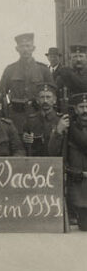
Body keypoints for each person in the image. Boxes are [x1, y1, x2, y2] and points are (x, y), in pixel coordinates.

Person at [0, 33, 53, 134]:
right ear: (17, 49)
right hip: (16, 116)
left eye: (28, 46)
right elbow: (1, 93)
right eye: (22, 46)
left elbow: (53, 95)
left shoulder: (43, 69)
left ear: (33, 48)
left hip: (38, 115)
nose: (25, 49)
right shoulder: (10, 70)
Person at [48, 93, 87, 231]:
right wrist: (58, 131)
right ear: (75, 109)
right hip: (78, 186)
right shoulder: (67, 128)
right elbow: (52, 153)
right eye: (81, 107)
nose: (85, 111)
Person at [21, 83, 61, 156]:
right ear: (37, 100)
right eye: (42, 97)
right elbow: (24, 146)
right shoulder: (30, 121)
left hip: (55, 162)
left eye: (48, 97)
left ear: (54, 100)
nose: (45, 100)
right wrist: (25, 139)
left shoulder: (60, 120)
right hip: (36, 164)